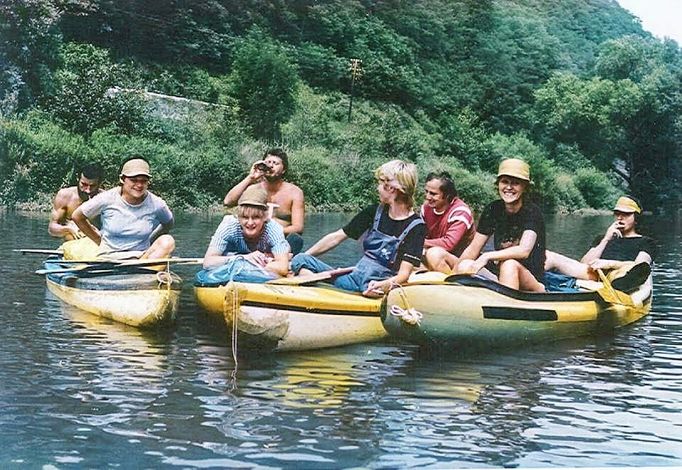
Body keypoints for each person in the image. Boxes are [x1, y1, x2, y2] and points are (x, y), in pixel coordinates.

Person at [290, 160, 426, 298]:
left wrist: (383, 286)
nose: (377, 188)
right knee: (301, 259)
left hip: (375, 285)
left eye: (380, 183)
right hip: (353, 279)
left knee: (304, 271)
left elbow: (403, 275)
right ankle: (317, 288)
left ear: (390, 188)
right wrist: (303, 257)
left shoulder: (417, 227)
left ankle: (319, 289)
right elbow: (336, 237)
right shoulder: (373, 211)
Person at [458, 158, 546, 292]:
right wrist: (450, 276)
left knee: (509, 264)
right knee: (465, 265)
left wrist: (487, 256)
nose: (509, 187)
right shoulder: (493, 209)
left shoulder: (532, 212)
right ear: (498, 184)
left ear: (525, 187)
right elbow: (473, 249)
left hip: (531, 279)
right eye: (505, 182)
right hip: (500, 276)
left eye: (515, 183)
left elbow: (524, 251)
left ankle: (507, 307)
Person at [71, 157, 175, 260]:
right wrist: (99, 241)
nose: (139, 185)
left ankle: (140, 270)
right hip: (109, 258)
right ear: (122, 179)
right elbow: (77, 216)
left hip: (142, 258)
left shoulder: (156, 203)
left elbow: (168, 223)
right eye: (134, 180)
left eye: (144, 181)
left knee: (168, 241)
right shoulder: (107, 198)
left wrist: (150, 240)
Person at [544, 195, 656, 289]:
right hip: (595, 275)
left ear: (636, 218)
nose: (620, 218)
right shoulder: (603, 237)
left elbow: (641, 266)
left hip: (621, 274)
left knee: (627, 272)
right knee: (548, 255)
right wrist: (606, 239)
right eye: (617, 213)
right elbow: (584, 263)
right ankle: (531, 285)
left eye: (626, 214)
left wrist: (609, 263)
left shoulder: (646, 242)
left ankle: (619, 286)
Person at [196, 184, 290, 284]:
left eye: (256, 217)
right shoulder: (229, 225)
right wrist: (245, 258)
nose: (250, 223)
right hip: (234, 258)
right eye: (245, 217)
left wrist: (263, 261)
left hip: (264, 261)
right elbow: (208, 262)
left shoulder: (273, 229)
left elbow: (283, 267)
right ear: (238, 217)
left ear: (265, 217)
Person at [224, 148, 305, 255]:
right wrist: (250, 177)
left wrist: (270, 233)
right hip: (252, 241)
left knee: (296, 239)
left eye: (275, 163)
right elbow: (228, 201)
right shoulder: (253, 189)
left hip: (280, 243)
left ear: (284, 169)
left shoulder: (295, 192)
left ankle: (279, 259)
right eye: (268, 162)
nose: (271, 166)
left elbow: (298, 228)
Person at [421, 171, 475, 273]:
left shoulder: (460, 211)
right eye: (426, 191)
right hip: (434, 254)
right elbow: (422, 234)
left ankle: (450, 284)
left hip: (461, 262)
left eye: (433, 194)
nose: (427, 197)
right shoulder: (426, 208)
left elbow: (448, 244)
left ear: (447, 196)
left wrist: (419, 242)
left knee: (434, 254)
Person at [48, 163, 104, 240]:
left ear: (99, 183)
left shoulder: (104, 198)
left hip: (96, 245)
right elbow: (52, 228)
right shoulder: (65, 196)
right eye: (84, 184)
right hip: (71, 246)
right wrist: (68, 229)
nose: (88, 190)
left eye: (93, 186)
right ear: (78, 179)